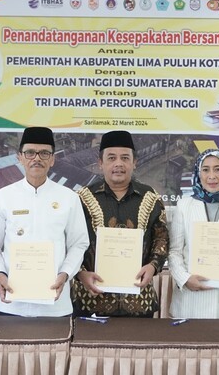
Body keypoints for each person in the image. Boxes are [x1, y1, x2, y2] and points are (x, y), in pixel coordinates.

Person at [0, 126, 89, 316]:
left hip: (55, 303)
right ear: (20, 157)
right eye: (30, 152)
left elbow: (79, 244)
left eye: (44, 153)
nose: (37, 158)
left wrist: (65, 274)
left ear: (53, 159)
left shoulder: (69, 198)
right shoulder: (2, 197)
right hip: (11, 302)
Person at [72, 130, 168, 317]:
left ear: (134, 162)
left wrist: (153, 266)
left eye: (125, 158)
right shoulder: (81, 198)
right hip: (91, 302)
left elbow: (161, 238)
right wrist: (81, 274)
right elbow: (70, 243)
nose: (118, 164)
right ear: (100, 163)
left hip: (139, 303)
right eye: (111, 158)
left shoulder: (151, 197)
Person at [167, 149, 219, 319]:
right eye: (205, 170)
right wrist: (185, 279)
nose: (212, 176)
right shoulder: (184, 206)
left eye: (218, 169)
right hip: (191, 299)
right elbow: (174, 251)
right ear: (199, 173)